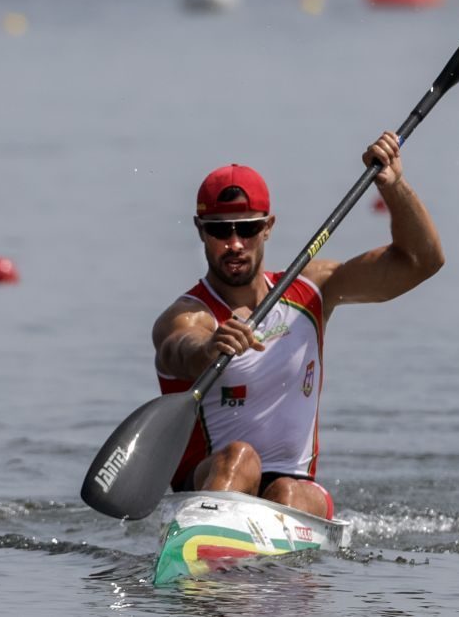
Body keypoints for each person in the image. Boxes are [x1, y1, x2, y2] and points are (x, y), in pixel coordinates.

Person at [151, 131, 443, 519]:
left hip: (294, 489)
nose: (235, 243)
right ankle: (207, 540)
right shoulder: (189, 315)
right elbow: (178, 350)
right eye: (220, 230)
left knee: (287, 492)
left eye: (248, 228)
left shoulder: (312, 289)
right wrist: (208, 349)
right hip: (213, 479)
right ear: (200, 230)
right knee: (241, 458)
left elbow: (422, 261)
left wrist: (394, 187)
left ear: (268, 227)